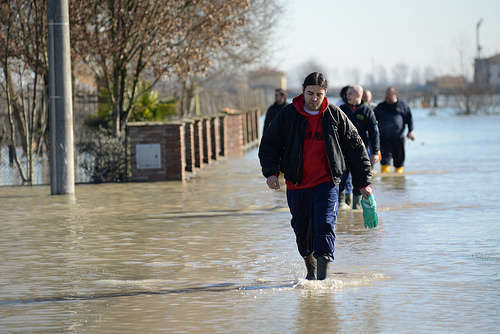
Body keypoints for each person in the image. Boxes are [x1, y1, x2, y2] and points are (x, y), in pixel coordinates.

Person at [258, 72, 373, 280]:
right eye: (310, 93)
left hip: (326, 183)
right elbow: (269, 144)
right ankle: (310, 271)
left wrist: (364, 182)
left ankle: (322, 281)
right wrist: (271, 172)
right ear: (303, 90)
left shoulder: (335, 115)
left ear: (325, 93)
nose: (314, 98)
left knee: (325, 224)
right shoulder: (288, 115)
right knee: (302, 230)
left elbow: (356, 148)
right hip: (296, 183)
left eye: (318, 94)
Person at [339, 85, 380, 209]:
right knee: (341, 177)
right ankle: (341, 204)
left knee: (361, 178)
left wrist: (375, 152)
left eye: (350, 93)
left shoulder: (367, 110)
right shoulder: (342, 109)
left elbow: (374, 132)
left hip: (361, 151)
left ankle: (356, 206)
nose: (347, 96)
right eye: (347, 93)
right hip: (343, 150)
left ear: (358, 95)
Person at [374, 87, 414, 173]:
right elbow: (372, 120)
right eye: (386, 95)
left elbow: (409, 119)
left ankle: (398, 181)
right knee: (385, 160)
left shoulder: (402, 105)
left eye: (389, 95)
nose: (386, 97)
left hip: (398, 137)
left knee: (399, 160)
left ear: (395, 95)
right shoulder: (380, 106)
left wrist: (410, 131)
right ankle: (385, 182)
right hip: (384, 138)